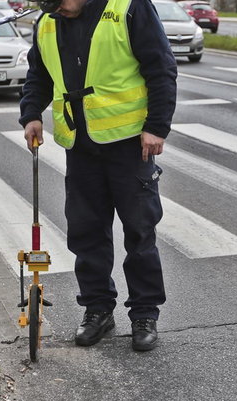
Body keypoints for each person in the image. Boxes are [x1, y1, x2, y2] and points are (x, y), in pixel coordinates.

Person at [18, 0, 177, 352]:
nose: (60, 10)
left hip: (131, 145)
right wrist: (30, 113)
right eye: (52, 5)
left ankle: (144, 314)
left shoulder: (129, 7)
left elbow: (161, 68)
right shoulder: (48, 21)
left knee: (139, 231)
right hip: (81, 146)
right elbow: (39, 74)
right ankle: (97, 308)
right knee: (86, 231)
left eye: (63, 3)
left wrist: (157, 126)